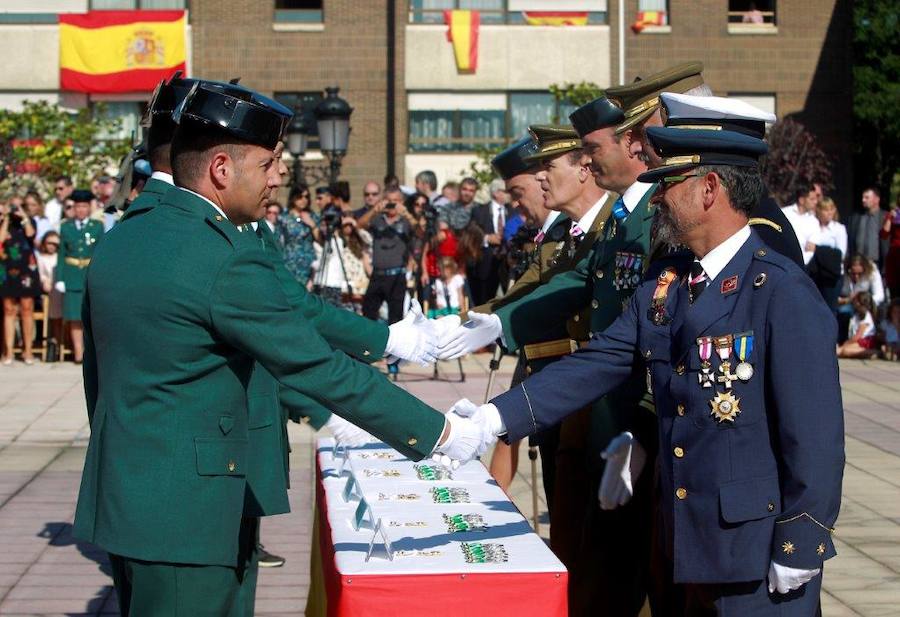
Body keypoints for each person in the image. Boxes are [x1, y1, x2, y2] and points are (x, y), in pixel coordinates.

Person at [73, 78, 477, 615]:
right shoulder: (221, 255)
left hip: (130, 498)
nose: (277, 178)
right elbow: (315, 366)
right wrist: (444, 433)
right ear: (221, 169)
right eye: (267, 165)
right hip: (189, 514)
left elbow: (98, 376)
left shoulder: (129, 232)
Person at [445, 117, 845, 616]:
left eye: (666, 184)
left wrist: (801, 540)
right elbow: (599, 361)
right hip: (686, 539)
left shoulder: (780, 290)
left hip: (756, 553)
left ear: (709, 189)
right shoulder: (669, 282)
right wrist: (494, 420)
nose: (655, 199)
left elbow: (814, 436)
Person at [54, 189, 102, 364]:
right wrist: (59, 278)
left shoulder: (97, 226)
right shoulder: (65, 226)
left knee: (90, 315)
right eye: (78, 206)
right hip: (72, 274)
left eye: (84, 206)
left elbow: (99, 253)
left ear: (89, 208)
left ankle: (91, 352)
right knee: (74, 317)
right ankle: (78, 353)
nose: (81, 210)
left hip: (89, 274)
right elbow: (61, 254)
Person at [358, 187, 417, 324]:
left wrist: (406, 213)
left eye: (395, 201)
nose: (392, 204)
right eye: (388, 201)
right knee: (368, 313)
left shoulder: (405, 221)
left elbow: (421, 231)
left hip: (397, 275)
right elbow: (359, 224)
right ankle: (368, 344)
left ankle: (393, 345)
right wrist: (375, 210)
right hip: (377, 274)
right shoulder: (377, 219)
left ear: (401, 201)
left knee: (395, 318)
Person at [0, 195, 41, 365]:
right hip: (7, 268)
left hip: (26, 268)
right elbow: (1, 239)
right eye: (13, 206)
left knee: (27, 308)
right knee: (9, 309)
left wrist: (23, 217)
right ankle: (8, 351)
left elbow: (31, 234)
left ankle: (28, 351)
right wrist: (7, 218)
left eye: (19, 206)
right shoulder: (4, 222)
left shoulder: (29, 221)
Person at [468, 178, 512, 306]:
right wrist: (487, 238)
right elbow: (471, 234)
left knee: (509, 299)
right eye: (505, 191)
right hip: (486, 262)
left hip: (507, 262)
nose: (509, 194)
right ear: (496, 193)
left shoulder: (513, 210)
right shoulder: (479, 211)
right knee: (484, 301)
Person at [808, 197, 848, 310]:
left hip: (831, 276)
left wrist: (817, 249)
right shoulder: (813, 226)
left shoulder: (839, 229)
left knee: (829, 309)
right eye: (826, 210)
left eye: (831, 209)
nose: (829, 213)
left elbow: (841, 254)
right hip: (815, 273)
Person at [277, 184, 320, 287]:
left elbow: (320, 240)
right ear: (293, 198)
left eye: (306, 197)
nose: (303, 200)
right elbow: (277, 241)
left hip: (309, 263)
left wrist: (312, 225)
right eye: (300, 197)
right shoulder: (283, 218)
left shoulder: (313, 216)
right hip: (290, 261)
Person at [35, 231, 63, 346]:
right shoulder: (40, 258)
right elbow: (41, 275)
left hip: (60, 288)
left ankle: (62, 341)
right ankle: (53, 341)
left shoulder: (60, 257)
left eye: (55, 244)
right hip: (48, 290)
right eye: (49, 243)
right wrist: (44, 281)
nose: (52, 246)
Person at [781, 184, 820, 266]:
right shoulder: (784, 213)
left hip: (801, 266)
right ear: (801, 200)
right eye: (812, 199)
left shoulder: (814, 222)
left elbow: (810, 249)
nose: (816, 202)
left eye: (816, 199)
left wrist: (800, 264)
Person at [849, 187, 883, 267]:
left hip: (876, 263)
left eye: (867, 198)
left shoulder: (885, 218)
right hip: (858, 263)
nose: (863, 200)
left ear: (876, 199)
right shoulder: (855, 217)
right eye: (863, 197)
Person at [837, 291, 877, 358]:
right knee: (841, 351)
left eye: (855, 301)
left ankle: (874, 352)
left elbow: (858, 336)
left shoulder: (866, 317)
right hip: (858, 342)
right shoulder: (857, 315)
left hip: (865, 342)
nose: (854, 303)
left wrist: (845, 344)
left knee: (845, 351)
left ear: (860, 303)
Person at [881, 195, 900, 299]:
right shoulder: (894, 214)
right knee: (895, 292)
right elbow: (884, 234)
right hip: (895, 258)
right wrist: (889, 218)